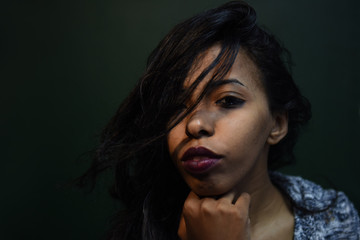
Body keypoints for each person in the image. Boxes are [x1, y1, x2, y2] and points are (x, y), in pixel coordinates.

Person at [78, 1, 360, 239]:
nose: (194, 125)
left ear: (277, 124)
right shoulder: (140, 227)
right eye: (176, 107)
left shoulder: (333, 220)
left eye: (227, 101)